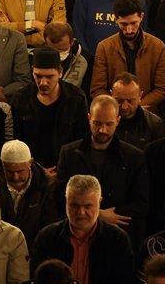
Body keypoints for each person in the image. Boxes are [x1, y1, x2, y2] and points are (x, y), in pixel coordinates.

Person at [56, 94, 151, 243]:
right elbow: (59, 196)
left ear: (118, 121)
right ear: (89, 118)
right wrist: (98, 214)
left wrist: (111, 215)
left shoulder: (134, 157)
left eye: (109, 124)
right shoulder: (69, 153)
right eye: (97, 123)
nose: (103, 130)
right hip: (77, 233)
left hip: (117, 237)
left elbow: (141, 203)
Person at [30, 175, 136, 284]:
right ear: (66, 201)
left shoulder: (117, 240)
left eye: (88, 206)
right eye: (74, 205)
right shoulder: (46, 237)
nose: (81, 212)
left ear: (99, 202)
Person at [9, 48, 90, 169]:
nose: (43, 83)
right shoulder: (21, 99)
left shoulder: (75, 99)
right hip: (30, 169)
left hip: (66, 169)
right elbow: (16, 142)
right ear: (32, 72)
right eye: (38, 76)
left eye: (49, 77)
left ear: (60, 72)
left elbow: (81, 142)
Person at [89, 0, 165, 110]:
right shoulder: (104, 47)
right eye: (124, 24)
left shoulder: (157, 47)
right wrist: (118, 106)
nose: (129, 30)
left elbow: (161, 89)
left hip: (145, 111)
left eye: (133, 23)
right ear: (115, 19)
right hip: (114, 111)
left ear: (142, 17)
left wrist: (134, 106)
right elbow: (97, 89)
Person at [0, 140, 60, 246]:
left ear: (30, 162)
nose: (15, 177)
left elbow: (51, 225)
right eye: (10, 172)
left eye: (20, 171)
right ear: (2, 164)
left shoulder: (47, 185)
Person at [112, 73, 165, 150]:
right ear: (111, 95)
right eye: (119, 101)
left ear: (140, 96)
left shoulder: (154, 123)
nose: (124, 106)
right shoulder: (103, 121)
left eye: (130, 101)